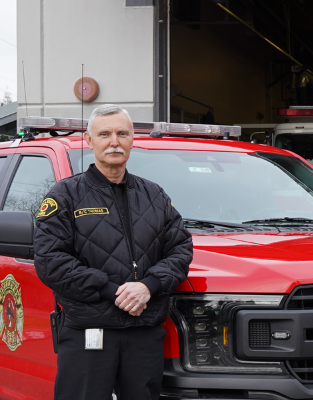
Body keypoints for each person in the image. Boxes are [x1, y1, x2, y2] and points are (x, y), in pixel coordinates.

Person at [34, 104, 193, 400]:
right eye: (104, 134)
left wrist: (149, 286)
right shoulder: (65, 195)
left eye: (122, 133)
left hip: (143, 331)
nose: (114, 141)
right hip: (88, 332)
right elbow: (50, 261)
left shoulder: (154, 195)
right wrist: (112, 290)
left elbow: (181, 249)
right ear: (89, 140)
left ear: (133, 138)